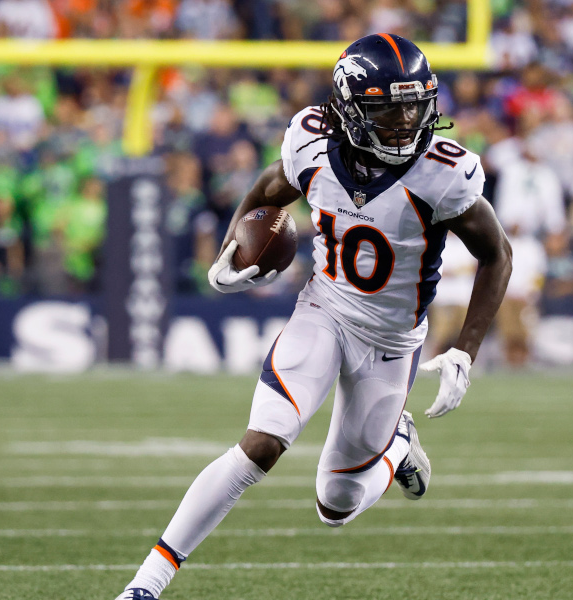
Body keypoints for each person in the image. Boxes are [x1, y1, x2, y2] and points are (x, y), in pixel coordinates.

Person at [114, 33, 512, 600]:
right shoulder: (312, 142)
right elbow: (269, 191)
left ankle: (396, 446)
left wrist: (466, 352)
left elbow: (497, 253)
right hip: (324, 309)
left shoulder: (443, 172)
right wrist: (235, 249)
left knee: (336, 506)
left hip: (392, 342)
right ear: (350, 109)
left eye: (414, 106)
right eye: (387, 109)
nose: (404, 122)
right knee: (261, 444)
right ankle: (145, 585)